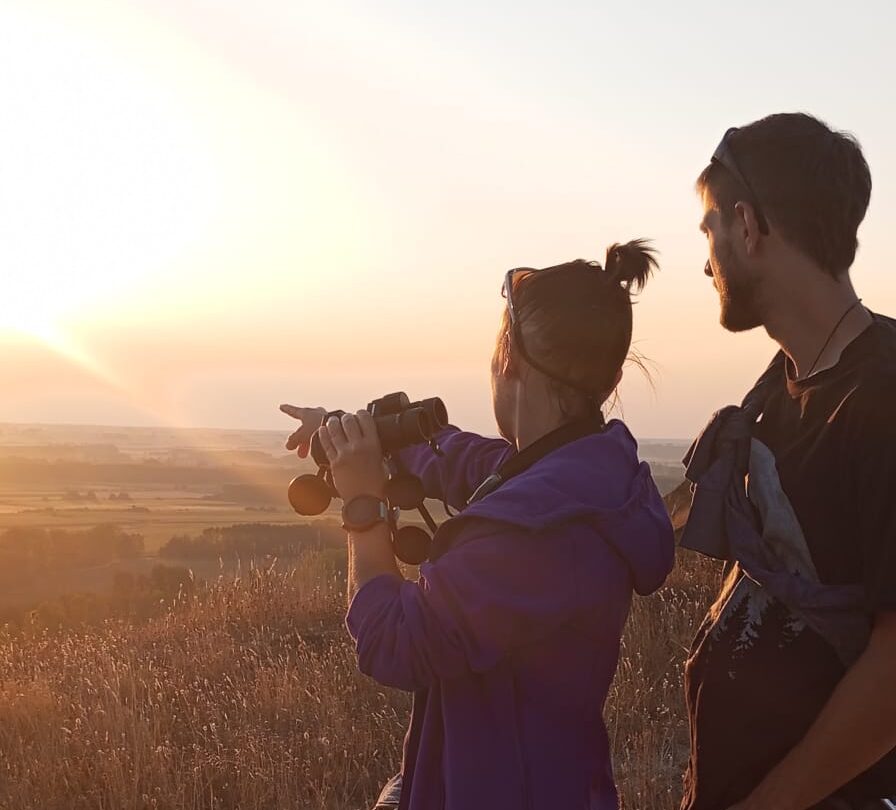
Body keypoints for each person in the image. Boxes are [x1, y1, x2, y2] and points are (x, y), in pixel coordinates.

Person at [282, 241, 675, 810]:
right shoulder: (592, 476)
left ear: (509, 362)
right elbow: (468, 462)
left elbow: (393, 641)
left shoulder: (536, 533)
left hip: (494, 787)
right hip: (558, 778)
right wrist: (352, 430)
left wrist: (363, 504)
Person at [684, 112, 896, 810]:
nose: (707, 262)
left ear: (747, 225)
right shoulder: (776, 391)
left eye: (710, 230)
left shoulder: (885, 396)